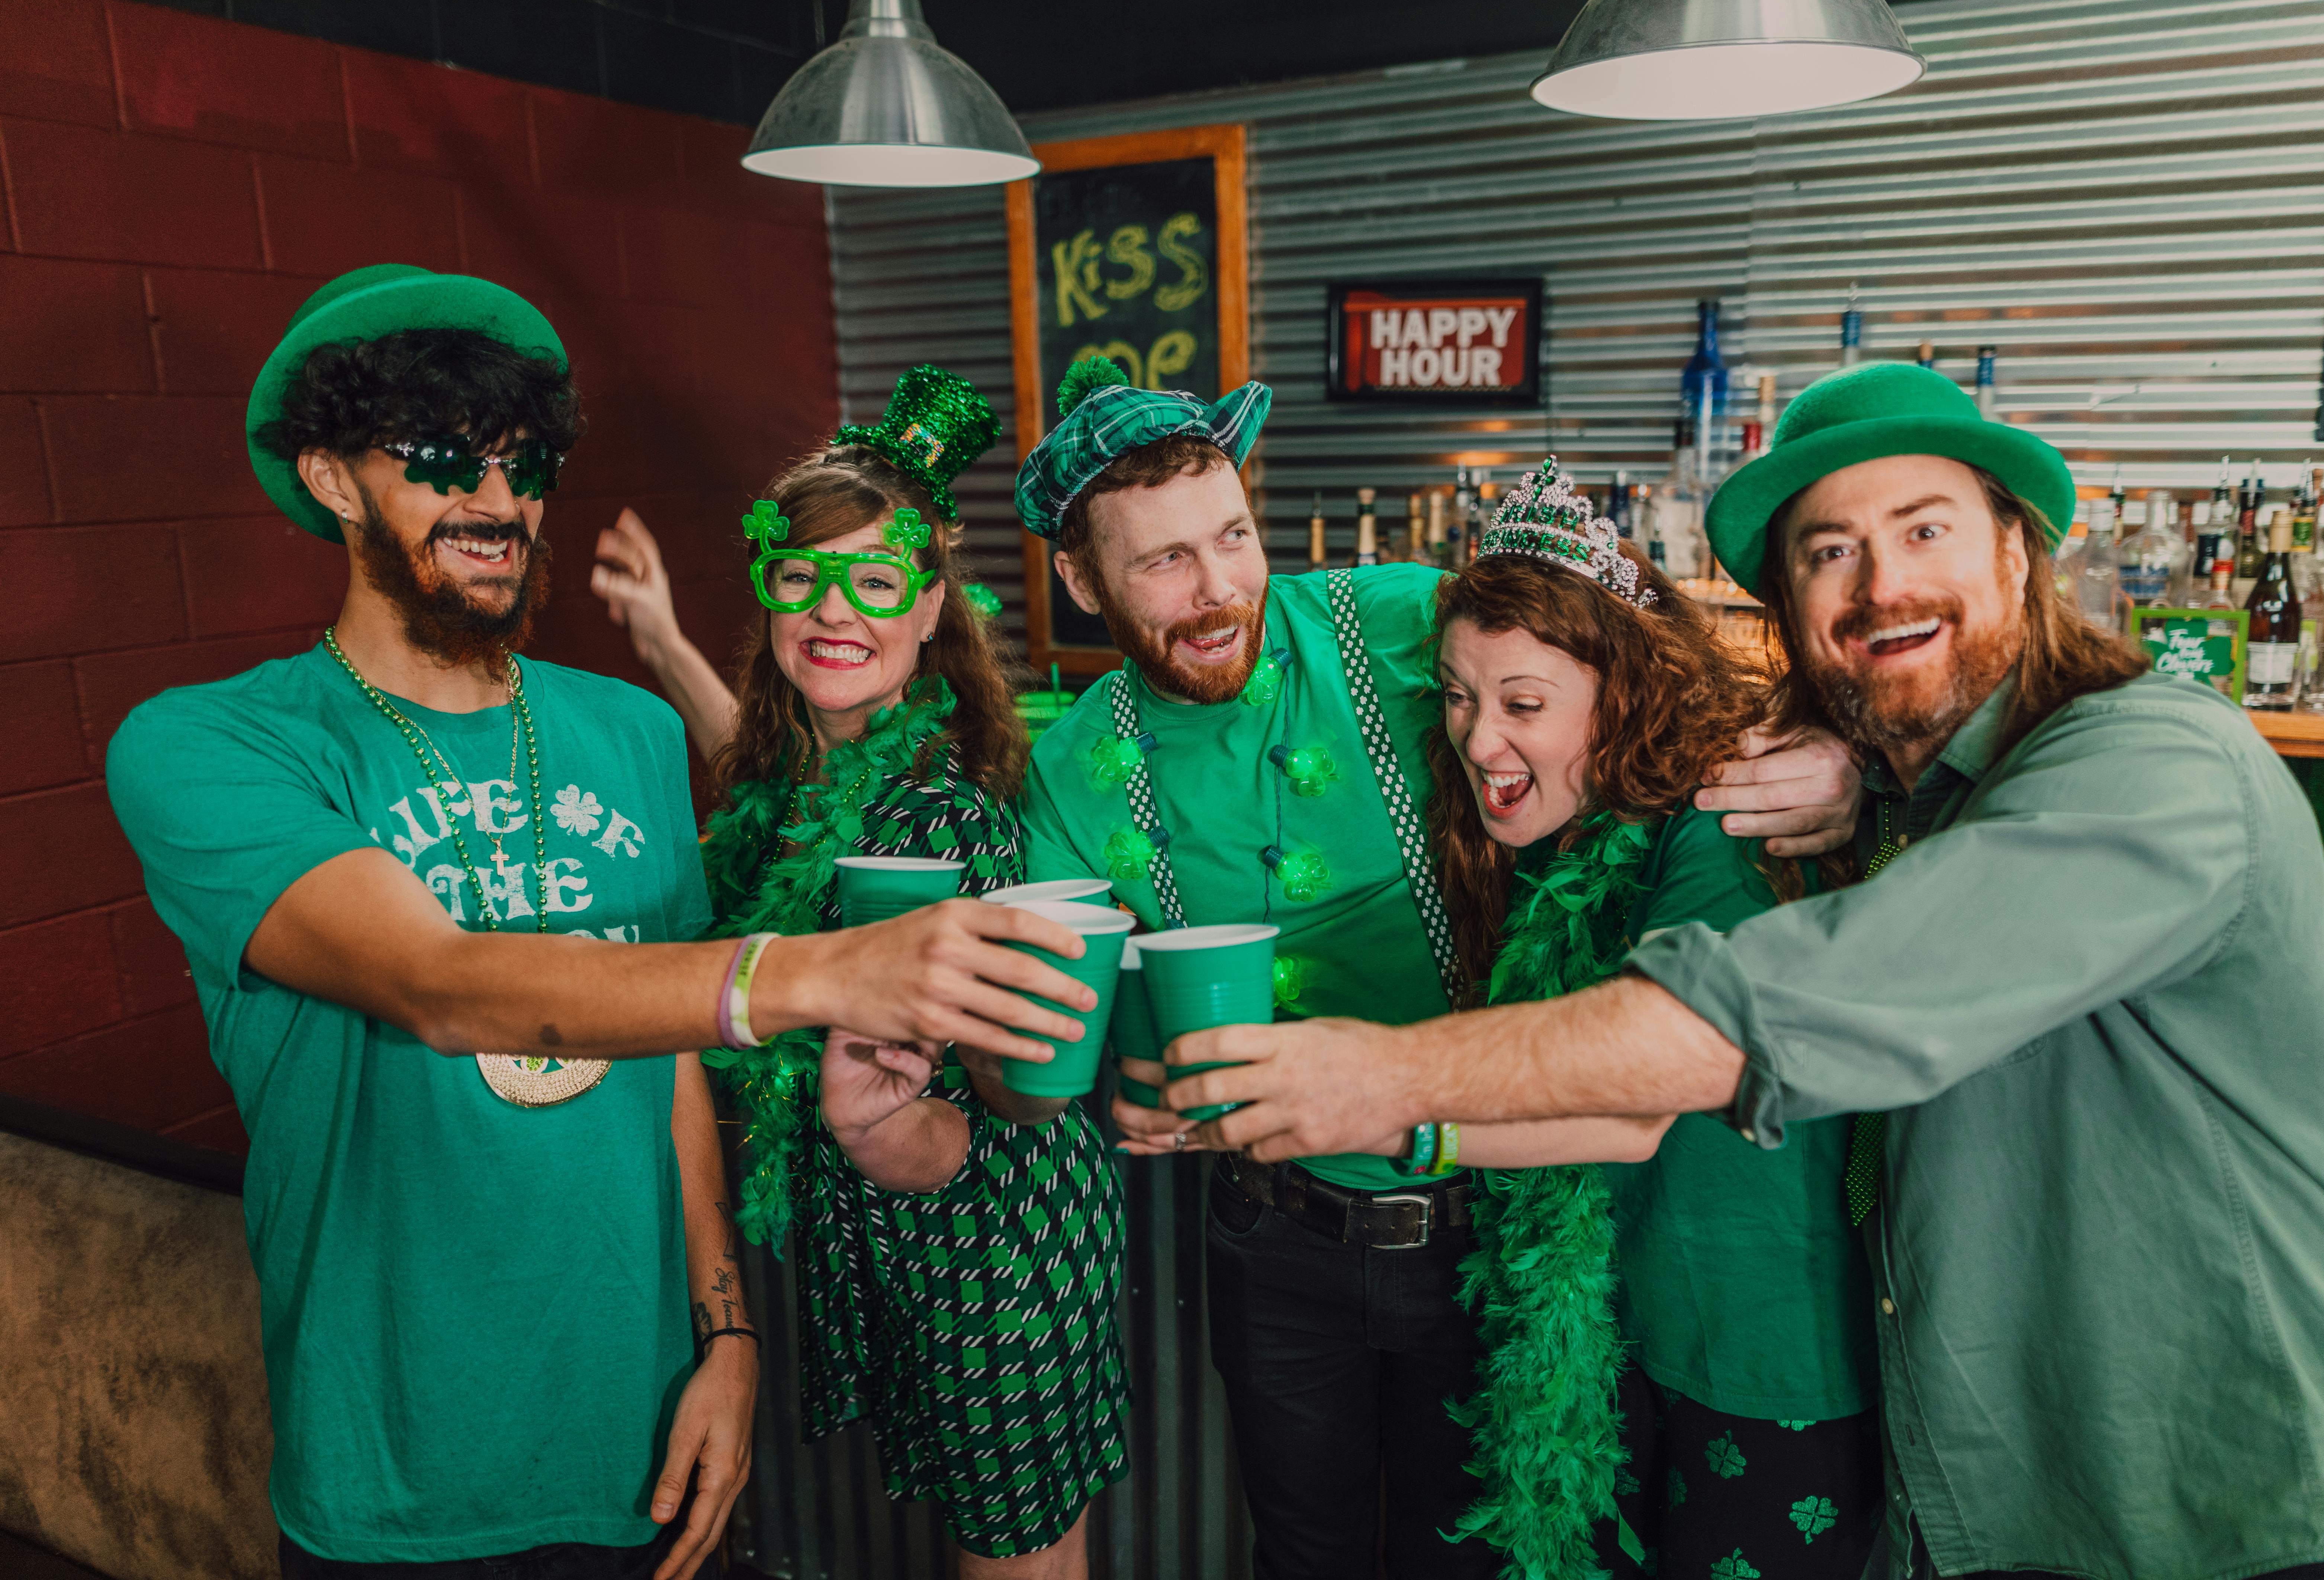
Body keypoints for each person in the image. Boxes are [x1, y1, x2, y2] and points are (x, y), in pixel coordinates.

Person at [1164, 363, 2324, 1580]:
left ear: (2018, 546)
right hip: (2011, 1493)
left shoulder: (2157, 764)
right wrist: (1851, 769)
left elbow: (1767, 1015)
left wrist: (1382, 1085)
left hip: (2252, 1509)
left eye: (1926, 529)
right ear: (1788, 608)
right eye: (1830, 552)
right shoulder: (1892, 795)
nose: (1881, 584)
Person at [104, 267, 1096, 1580]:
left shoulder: (626, 732)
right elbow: (439, 985)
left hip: (650, 1442)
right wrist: (825, 972)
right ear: (333, 480)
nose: (498, 504)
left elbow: (671, 1053)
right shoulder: (209, 745)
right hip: (402, 1464)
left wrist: (728, 1338)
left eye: (526, 467)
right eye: (446, 460)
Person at [1011, 355, 1865, 1580]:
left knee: (1467, 1557)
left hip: (1484, 1223)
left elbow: (1620, 663)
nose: (1218, 591)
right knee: (1301, 1555)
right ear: (1083, 578)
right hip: (1276, 1238)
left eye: (1235, 537)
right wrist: (1113, 1086)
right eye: (1163, 562)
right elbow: (1058, 1028)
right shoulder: (1073, 766)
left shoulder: (1404, 620)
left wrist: (1827, 750)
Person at [590, 366, 1126, 1579]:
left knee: (1016, 1560)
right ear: (770, 589)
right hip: (886, 1240)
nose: (837, 610)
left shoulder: (941, 826)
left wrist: (881, 1139)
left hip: (995, 1253)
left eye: (877, 581)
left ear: (933, 607)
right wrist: (666, 642)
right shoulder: (821, 771)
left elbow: (984, 1119)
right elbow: (787, 825)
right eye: (804, 576)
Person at [1408, 460, 1878, 1580]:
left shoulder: (1716, 825)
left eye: (1524, 704)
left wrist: (1361, 1104)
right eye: (1460, 696)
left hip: (1758, 1355)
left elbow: (1629, 1098)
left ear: (1623, 695)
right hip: (1618, 1340)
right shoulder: (1555, 832)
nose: (1479, 740)